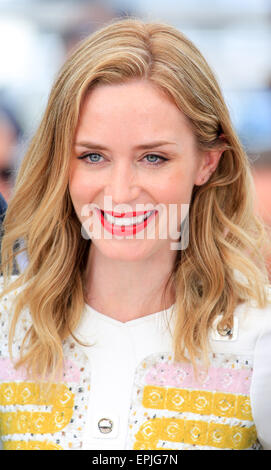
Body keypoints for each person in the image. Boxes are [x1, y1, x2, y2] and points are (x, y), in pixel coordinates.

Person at [0, 17, 271, 451]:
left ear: (208, 162)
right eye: (92, 156)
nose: (121, 192)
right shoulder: (7, 321)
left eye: (153, 158)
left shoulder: (258, 336)